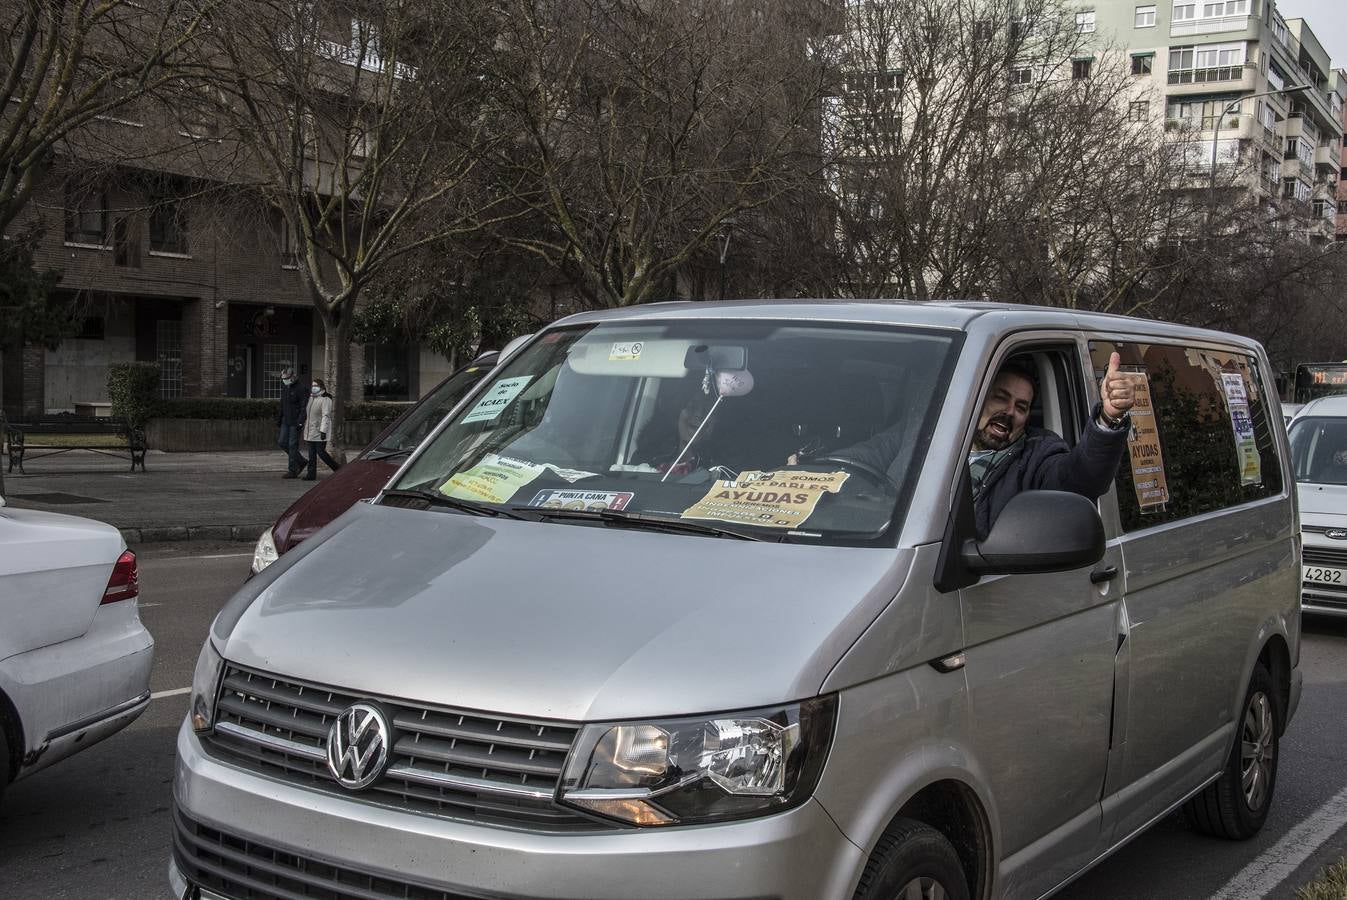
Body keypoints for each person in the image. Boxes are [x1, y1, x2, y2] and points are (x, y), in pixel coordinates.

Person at [822, 353, 1136, 537]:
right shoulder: (923, 434)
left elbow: (1080, 479)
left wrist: (1108, 420)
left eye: (1022, 406)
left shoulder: (1038, 455)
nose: (1009, 412)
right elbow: (858, 461)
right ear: (974, 399)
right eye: (1000, 397)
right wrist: (808, 471)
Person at [636, 384, 720, 476]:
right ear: (677, 414)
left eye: (708, 410)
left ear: (718, 421)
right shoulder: (648, 457)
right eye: (692, 407)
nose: (699, 415)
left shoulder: (725, 469)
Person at [302, 378, 341, 481]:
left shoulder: (325, 399)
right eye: (312, 386)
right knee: (311, 454)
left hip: (320, 431)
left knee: (321, 453)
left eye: (316, 386)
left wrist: (323, 430)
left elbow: (326, 415)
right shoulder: (311, 398)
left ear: (321, 387)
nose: (313, 388)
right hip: (310, 430)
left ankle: (338, 469)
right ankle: (311, 474)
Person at [276, 367, 308, 479]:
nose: (285, 380)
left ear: (293, 376)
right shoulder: (285, 387)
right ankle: (301, 461)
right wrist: (279, 418)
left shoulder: (301, 389)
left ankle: (292, 471)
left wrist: (300, 421)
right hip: (286, 420)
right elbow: (282, 404)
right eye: (283, 378)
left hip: (295, 422)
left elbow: (304, 407)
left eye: (287, 378)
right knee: (282, 442)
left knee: (292, 445)